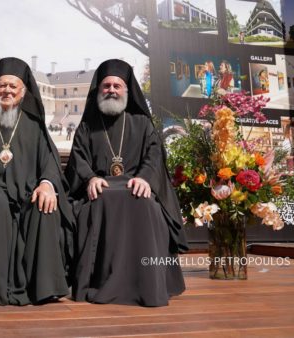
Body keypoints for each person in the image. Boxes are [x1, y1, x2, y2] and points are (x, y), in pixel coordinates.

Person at [65, 59, 188, 307]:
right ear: (99, 90)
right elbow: (78, 158)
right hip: (100, 188)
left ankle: (148, 286)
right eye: (106, 85)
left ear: (126, 91)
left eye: (117, 86)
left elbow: (154, 155)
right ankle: (99, 282)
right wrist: (90, 178)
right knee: (99, 203)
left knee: (147, 207)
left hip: (136, 186)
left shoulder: (142, 123)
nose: (111, 90)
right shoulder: (88, 126)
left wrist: (144, 178)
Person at [0, 57, 74, 305]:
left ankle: (43, 289)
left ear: (22, 93)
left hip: (28, 190)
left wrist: (46, 184)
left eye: (13, 86)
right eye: (2, 85)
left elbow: (49, 161)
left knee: (44, 207)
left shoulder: (33, 123)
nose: (7, 91)